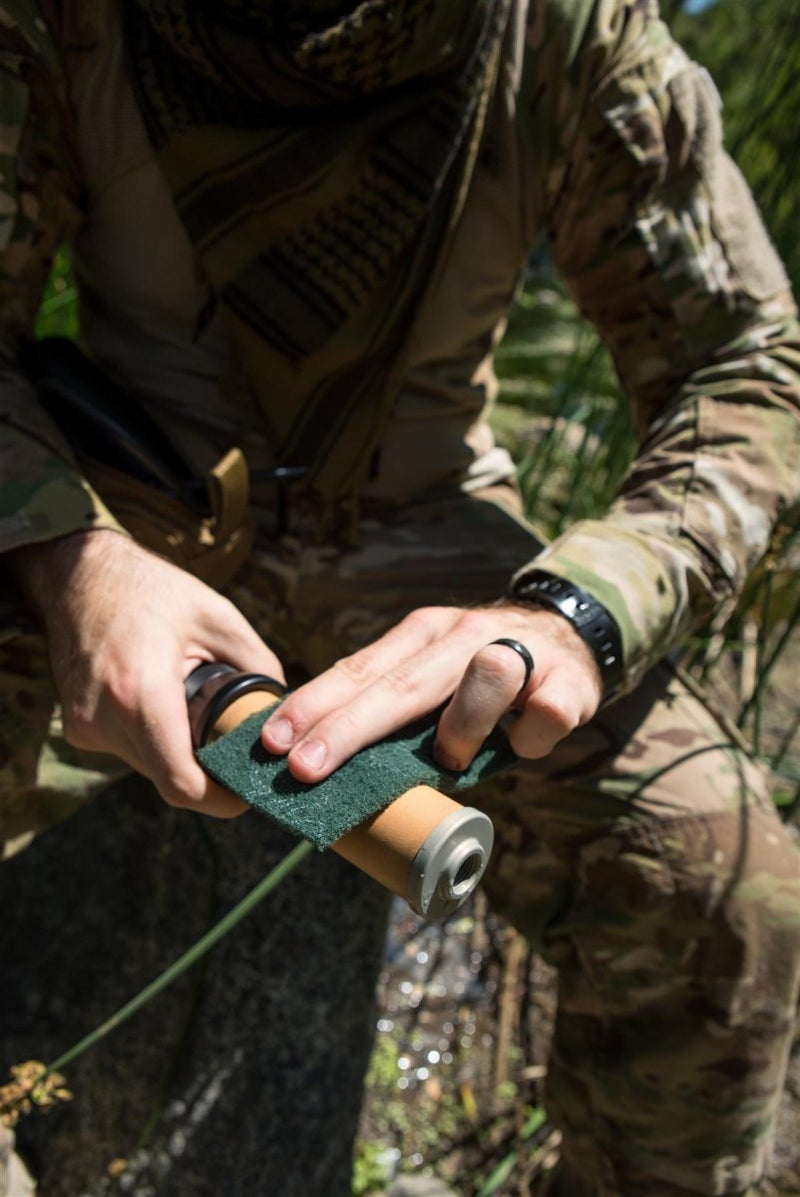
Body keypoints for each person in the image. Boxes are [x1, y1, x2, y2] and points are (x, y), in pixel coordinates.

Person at [1, 1, 799, 1194]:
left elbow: (744, 364)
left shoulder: (565, 31)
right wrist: (69, 552)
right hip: (125, 528)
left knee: (723, 881)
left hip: (437, 559)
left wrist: (574, 610)